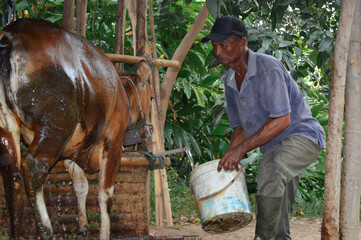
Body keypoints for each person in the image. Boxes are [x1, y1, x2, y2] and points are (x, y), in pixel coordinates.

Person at [201, 16, 325, 240]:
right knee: (277, 211)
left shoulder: (268, 68)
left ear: (242, 43)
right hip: (275, 148)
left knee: (271, 165)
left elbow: (282, 120)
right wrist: (231, 155)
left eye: (224, 44)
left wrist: (241, 151)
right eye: (214, 46)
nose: (218, 51)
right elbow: (241, 128)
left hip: (302, 136)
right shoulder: (230, 80)